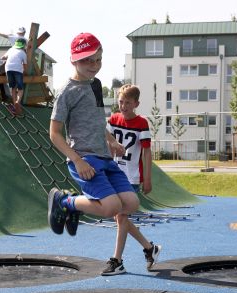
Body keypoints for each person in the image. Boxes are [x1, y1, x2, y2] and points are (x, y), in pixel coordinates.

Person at [47, 33, 160, 273]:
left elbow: (99, 122)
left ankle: (141, 249)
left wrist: (111, 140)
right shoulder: (66, 92)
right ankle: (64, 201)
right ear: (73, 61)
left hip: (105, 157)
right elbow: (54, 134)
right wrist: (77, 161)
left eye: (97, 60)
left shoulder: (96, 85)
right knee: (110, 207)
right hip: (84, 158)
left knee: (130, 202)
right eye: (87, 60)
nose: (94, 66)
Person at [103, 84, 161, 275]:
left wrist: (147, 179)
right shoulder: (113, 119)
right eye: (121, 101)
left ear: (136, 103)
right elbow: (106, 139)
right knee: (119, 218)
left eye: (128, 102)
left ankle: (117, 260)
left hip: (132, 176)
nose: (123, 105)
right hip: (114, 173)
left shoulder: (142, 123)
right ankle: (148, 247)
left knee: (121, 217)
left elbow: (146, 152)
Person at [1, 38, 27, 113]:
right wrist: (25, 72)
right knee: (21, 89)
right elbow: (25, 66)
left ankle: (14, 104)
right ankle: (17, 102)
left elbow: (2, 57)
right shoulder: (23, 53)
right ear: (24, 46)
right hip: (18, 70)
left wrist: (7, 59)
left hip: (8, 69)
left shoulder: (11, 49)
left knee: (13, 87)